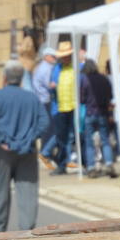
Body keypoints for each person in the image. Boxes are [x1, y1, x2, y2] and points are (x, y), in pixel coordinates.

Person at [0, 61, 50, 232]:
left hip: (3, 151)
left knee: (1, 191)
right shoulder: (32, 98)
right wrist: (30, 138)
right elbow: (44, 121)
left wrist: (2, 139)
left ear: (5, 77)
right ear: (21, 79)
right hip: (27, 151)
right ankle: (27, 230)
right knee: (28, 191)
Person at [41, 40, 79, 174]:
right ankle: (62, 164)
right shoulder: (56, 69)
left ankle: (84, 162)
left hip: (74, 107)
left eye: (67, 55)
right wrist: (52, 88)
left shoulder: (77, 67)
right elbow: (51, 87)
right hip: (59, 108)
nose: (65, 58)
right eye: (63, 56)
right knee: (61, 138)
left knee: (76, 136)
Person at [79, 58, 116, 176]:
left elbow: (82, 99)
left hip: (90, 113)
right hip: (103, 113)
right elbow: (110, 95)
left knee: (89, 142)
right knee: (105, 140)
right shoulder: (104, 79)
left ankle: (91, 167)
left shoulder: (85, 80)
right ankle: (109, 164)